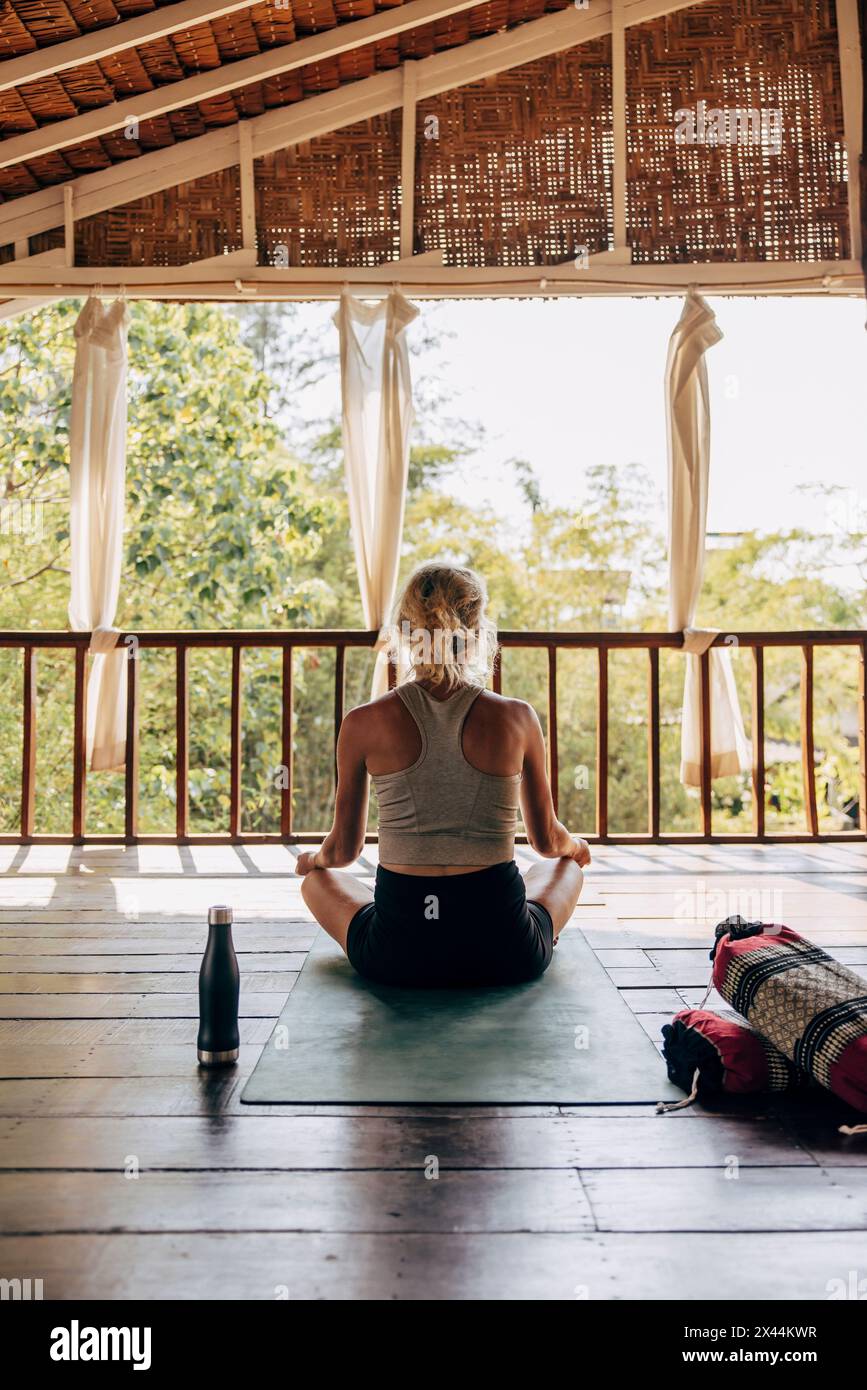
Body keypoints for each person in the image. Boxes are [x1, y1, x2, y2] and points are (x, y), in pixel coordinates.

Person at [296, 562, 590, 987]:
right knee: (566, 867)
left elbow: (342, 851)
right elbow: (547, 842)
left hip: (396, 955)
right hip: (506, 952)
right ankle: (532, 925)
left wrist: (312, 860)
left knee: (316, 882)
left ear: (403, 630)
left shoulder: (362, 722)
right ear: (477, 632)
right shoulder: (517, 717)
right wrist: (576, 846)